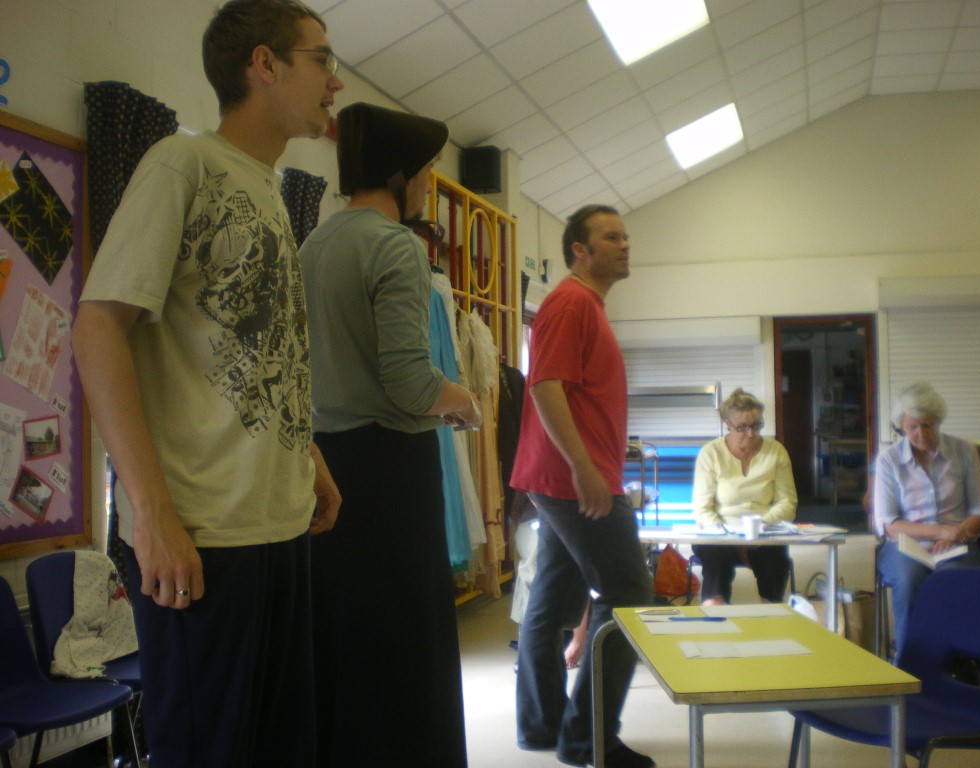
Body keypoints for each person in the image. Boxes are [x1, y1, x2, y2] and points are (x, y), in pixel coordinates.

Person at [69, 2, 344, 766]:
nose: (335, 80)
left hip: (278, 528)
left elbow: (251, 354)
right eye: (321, 59)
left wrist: (305, 454)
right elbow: (96, 331)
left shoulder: (269, 189)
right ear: (265, 63)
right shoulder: (180, 163)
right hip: (204, 542)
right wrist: (151, 514)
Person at [299, 102, 482, 768]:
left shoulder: (313, 245)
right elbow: (409, 383)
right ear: (400, 174)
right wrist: (465, 401)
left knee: (346, 649)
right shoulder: (396, 245)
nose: (429, 184)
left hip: (324, 469)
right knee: (406, 657)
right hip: (389, 476)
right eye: (427, 170)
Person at [511, 204, 654, 768]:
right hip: (574, 481)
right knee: (630, 596)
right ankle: (588, 738)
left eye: (626, 236)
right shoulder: (570, 302)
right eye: (611, 237)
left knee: (551, 600)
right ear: (580, 250)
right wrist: (583, 467)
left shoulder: (584, 305)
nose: (624, 244)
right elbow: (544, 386)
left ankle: (543, 726)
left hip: (565, 478)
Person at [873, 381, 980, 654]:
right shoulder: (888, 459)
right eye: (912, 427)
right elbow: (888, 524)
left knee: (953, 579)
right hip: (904, 545)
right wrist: (941, 532)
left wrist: (957, 534)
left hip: (958, 542)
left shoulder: (964, 450)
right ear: (902, 426)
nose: (921, 433)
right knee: (909, 577)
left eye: (927, 425)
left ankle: (957, 659)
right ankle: (908, 659)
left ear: (938, 421)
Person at [691, 388, 797, 605]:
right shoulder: (710, 453)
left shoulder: (776, 451)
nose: (751, 433)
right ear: (727, 423)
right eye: (742, 427)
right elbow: (702, 508)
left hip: (763, 532)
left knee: (774, 558)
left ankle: (770, 611)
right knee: (714, 557)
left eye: (756, 425)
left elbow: (788, 502)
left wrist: (761, 526)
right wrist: (728, 536)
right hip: (719, 535)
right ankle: (715, 609)